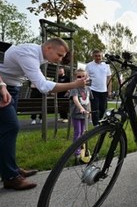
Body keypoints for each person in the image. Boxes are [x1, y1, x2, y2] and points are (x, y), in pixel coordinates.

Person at [0, 38, 88, 190]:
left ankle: (11, 168)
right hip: (3, 87)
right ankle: (10, 177)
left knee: (8, 132)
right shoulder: (29, 54)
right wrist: (74, 84)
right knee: (11, 127)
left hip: (11, 87)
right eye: (59, 55)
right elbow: (43, 86)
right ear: (48, 48)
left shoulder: (36, 55)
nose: (60, 60)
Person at [69, 69, 92, 163]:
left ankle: (81, 147)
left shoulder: (88, 89)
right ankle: (76, 151)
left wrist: (89, 111)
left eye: (84, 76)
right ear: (75, 78)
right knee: (77, 132)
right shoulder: (74, 88)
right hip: (76, 113)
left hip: (85, 114)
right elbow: (75, 99)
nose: (82, 78)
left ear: (87, 78)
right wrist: (81, 108)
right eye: (79, 77)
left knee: (83, 132)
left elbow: (88, 101)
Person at [85, 50, 112, 126]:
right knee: (95, 108)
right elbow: (86, 78)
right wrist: (87, 89)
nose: (98, 57)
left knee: (103, 108)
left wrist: (109, 90)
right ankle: (96, 124)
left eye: (99, 56)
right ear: (93, 56)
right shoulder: (89, 65)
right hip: (93, 90)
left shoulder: (106, 65)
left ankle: (102, 122)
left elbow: (109, 78)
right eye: (96, 56)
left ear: (102, 56)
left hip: (104, 90)